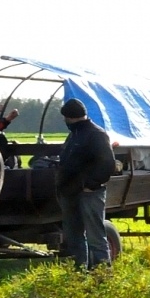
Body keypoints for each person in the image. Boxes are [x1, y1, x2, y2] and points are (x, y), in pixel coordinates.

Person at [54, 98, 115, 270]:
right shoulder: (74, 134)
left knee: (95, 235)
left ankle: (102, 273)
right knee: (74, 236)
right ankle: (81, 272)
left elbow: (107, 164)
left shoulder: (96, 134)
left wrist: (91, 185)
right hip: (70, 192)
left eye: (66, 118)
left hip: (89, 192)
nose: (65, 121)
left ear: (70, 117)